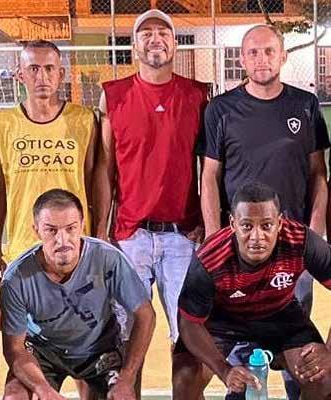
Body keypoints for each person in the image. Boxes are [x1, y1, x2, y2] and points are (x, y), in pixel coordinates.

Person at [199, 24, 329, 399]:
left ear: (283, 56)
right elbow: (209, 177)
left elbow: (318, 174)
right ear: (242, 58)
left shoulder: (305, 105)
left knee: (296, 341)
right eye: (253, 52)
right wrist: (214, 239)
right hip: (239, 250)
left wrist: (314, 234)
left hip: (291, 248)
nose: (262, 59)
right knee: (240, 341)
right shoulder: (220, 109)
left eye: (269, 51)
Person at [93, 9, 209, 394]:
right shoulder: (114, 95)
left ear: (175, 43)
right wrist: (100, 229)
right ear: (134, 45)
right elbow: (105, 168)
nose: (155, 38)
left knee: (189, 337)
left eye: (163, 32)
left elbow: (210, 167)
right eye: (146, 33)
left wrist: (208, 221)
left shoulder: (197, 95)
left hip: (182, 233)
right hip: (131, 234)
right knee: (127, 337)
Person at [177, 182, 331, 400]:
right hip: (221, 319)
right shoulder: (210, 259)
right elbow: (189, 323)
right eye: (247, 226)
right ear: (233, 224)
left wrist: (329, 352)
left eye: (266, 225)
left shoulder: (302, 241)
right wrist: (224, 370)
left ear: (279, 223)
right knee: (184, 379)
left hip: (279, 313)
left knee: (323, 378)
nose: (257, 237)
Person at [0, 189, 155, 400]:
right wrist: (44, 391)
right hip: (43, 351)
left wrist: (127, 379)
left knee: (123, 397)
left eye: (70, 228)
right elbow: (15, 349)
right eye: (51, 230)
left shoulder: (108, 259)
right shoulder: (16, 278)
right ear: (36, 230)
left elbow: (145, 315)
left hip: (100, 348)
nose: (62, 240)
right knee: (15, 396)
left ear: (82, 225)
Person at [0, 39, 97, 283]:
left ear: (61, 74)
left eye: (49, 69)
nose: (42, 77)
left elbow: (90, 183)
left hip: (74, 247)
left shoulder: (84, 120)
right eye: (33, 69)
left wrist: (98, 237)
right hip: (23, 247)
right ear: (20, 75)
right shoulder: (1, 124)